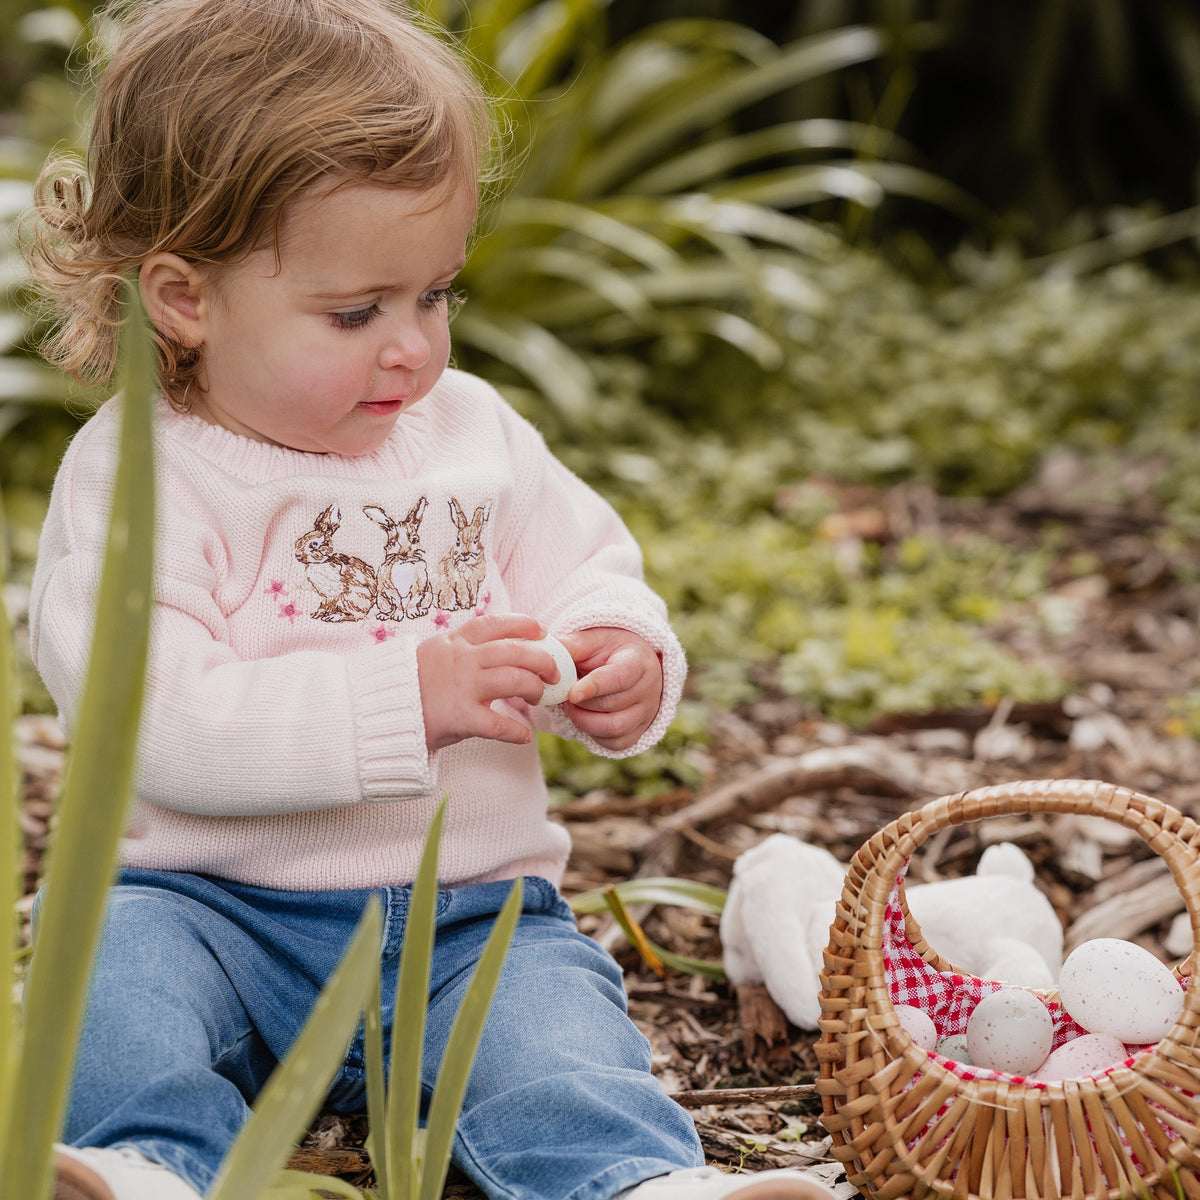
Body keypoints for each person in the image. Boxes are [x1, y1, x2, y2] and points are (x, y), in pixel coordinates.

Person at [23, 2, 838, 1199]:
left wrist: (616, 648)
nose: (411, 347)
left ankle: (630, 1179)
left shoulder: (470, 435)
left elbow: (584, 564)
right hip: (212, 911)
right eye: (357, 312)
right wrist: (406, 699)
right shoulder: (145, 474)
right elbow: (151, 719)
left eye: (436, 295)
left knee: (557, 1030)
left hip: (468, 918)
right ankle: (141, 1163)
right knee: (114, 979)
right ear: (185, 298)